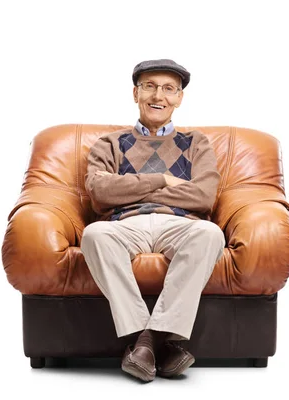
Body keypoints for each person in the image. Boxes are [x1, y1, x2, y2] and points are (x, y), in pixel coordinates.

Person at [81, 59, 225, 382]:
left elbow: (203, 197)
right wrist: (161, 180)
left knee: (211, 235)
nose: (158, 95)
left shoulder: (196, 144)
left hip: (181, 226)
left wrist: (130, 189)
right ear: (135, 93)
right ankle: (161, 343)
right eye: (149, 86)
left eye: (168, 88)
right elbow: (100, 192)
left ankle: (145, 343)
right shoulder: (111, 144)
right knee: (94, 236)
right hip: (124, 226)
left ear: (179, 98)